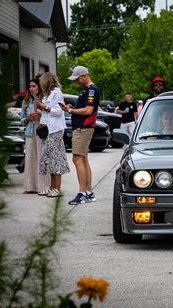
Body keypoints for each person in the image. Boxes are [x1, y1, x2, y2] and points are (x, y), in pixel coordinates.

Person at [61, 65, 100, 205]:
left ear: (84, 76)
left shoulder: (92, 91)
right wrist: (71, 108)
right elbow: (84, 109)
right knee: (83, 159)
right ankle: (88, 192)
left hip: (83, 128)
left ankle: (82, 192)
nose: (76, 82)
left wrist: (70, 111)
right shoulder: (87, 91)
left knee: (77, 159)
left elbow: (89, 110)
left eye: (77, 79)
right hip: (83, 127)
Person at [35, 72, 70, 198]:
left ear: (47, 81)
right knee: (49, 158)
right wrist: (40, 107)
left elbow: (58, 111)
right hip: (47, 129)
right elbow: (46, 111)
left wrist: (44, 106)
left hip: (55, 129)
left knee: (55, 158)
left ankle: (57, 188)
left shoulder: (56, 93)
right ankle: (52, 187)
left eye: (41, 81)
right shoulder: (47, 94)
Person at [20, 77, 50, 194]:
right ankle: (30, 187)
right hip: (30, 132)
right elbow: (21, 120)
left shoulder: (44, 99)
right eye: (30, 86)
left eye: (34, 86)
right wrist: (28, 118)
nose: (31, 89)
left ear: (39, 87)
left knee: (41, 158)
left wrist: (40, 114)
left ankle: (43, 187)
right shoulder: (26, 101)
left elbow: (50, 115)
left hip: (42, 132)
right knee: (30, 159)